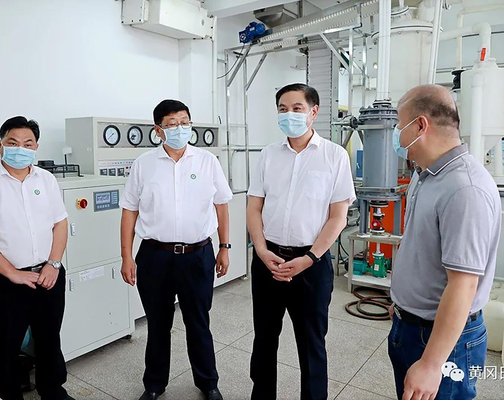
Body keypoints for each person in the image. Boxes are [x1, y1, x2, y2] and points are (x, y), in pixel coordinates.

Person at [388, 84, 501, 400]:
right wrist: (403, 303)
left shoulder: (464, 189)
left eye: (399, 125)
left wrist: (431, 364)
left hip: (444, 342)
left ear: (420, 126)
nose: (397, 135)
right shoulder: (424, 175)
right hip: (412, 325)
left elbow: (463, 285)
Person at [247, 83, 356, 400]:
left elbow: (338, 217)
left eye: (297, 108)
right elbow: (254, 208)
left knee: (311, 342)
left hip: (311, 263)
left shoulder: (334, 156)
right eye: (283, 109)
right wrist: (261, 250)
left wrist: (310, 258)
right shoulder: (268, 155)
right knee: (264, 338)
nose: (289, 114)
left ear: (313, 112)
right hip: (268, 260)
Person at [120, 100, 232, 400]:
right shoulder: (144, 164)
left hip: (198, 255)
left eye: (184, 122)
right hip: (154, 256)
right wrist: (126, 256)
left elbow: (221, 205)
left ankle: (208, 383)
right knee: (158, 324)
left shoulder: (207, 161)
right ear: (158, 130)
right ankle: (154, 385)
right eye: (171, 124)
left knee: (199, 322)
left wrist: (224, 247)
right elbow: (129, 211)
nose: (179, 128)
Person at [0, 116, 73, 400]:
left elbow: (60, 223)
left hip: (48, 276)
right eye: (13, 142)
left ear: (36, 147)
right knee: (4, 346)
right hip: (4, 283)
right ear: (0, 145)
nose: (20, 149)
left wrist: (54, 264)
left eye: (28, 143)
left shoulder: (46, 179)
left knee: (49, 338)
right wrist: (12, 273)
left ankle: (53, 391)